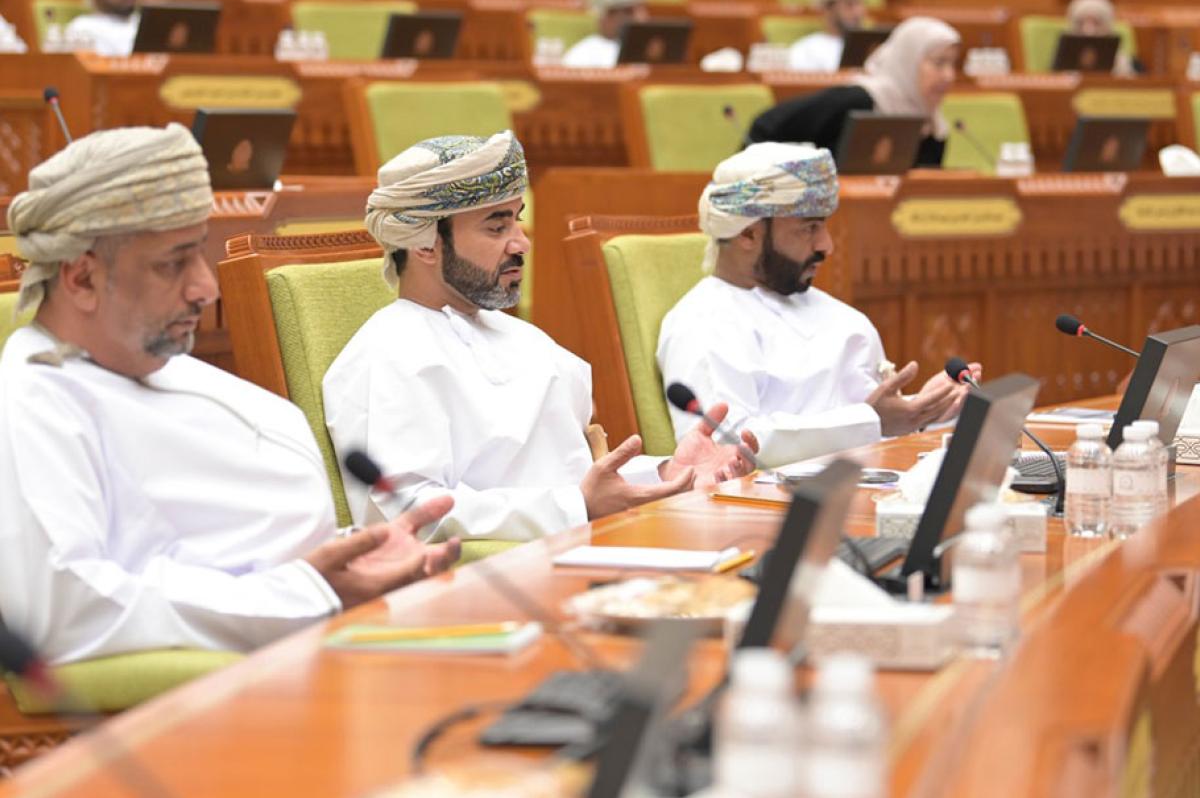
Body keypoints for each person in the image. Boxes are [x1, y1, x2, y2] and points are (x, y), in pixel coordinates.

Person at [0, 124, 460, 664]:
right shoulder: (35, 403)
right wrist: (310, 592)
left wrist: (356, 550)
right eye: (173, 264)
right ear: (81, 279)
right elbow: (68, 607)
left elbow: (226, 538)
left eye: (200, 254)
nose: (205, 287)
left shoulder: (153, 363)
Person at [323, 131, 758, 540]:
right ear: (424, 244)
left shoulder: (523, 339)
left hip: (582, 552)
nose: (521, 243)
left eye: (517, 221)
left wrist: (668, 473)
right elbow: (412, 515)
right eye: (497, 228)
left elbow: (570, 476)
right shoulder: (386, 353)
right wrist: (576, 506)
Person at [657, 141, 978, 467]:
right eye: (809, 228)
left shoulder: (841, 317)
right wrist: (870, 420)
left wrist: (923, 411)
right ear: (748, 235)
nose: (826, 245)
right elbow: (723, 446)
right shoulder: (703, 321)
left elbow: (873, 428)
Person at [749, 17, 961, 169]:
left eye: (953, 64)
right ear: (908, 61)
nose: (949, 76)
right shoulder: (858, 99)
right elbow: (766, 126)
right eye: (939, 63)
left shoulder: (933, 125)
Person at [788, 0, 868, 73]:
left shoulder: (875, 50)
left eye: (860, 4)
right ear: (827, 8)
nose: (859, 12)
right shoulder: (806, 50)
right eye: (849, 4)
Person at [561, 0, 649, 69]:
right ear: (606, 16)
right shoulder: (583, 56)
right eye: (629, 11)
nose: (640, 17)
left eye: (642, 8)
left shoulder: (650, 51)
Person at [1065, 0, 1141, 77]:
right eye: (1081, 23)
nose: (1089, 31)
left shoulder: (1124, 63)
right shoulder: (1063, 60)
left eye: (1096, 23)